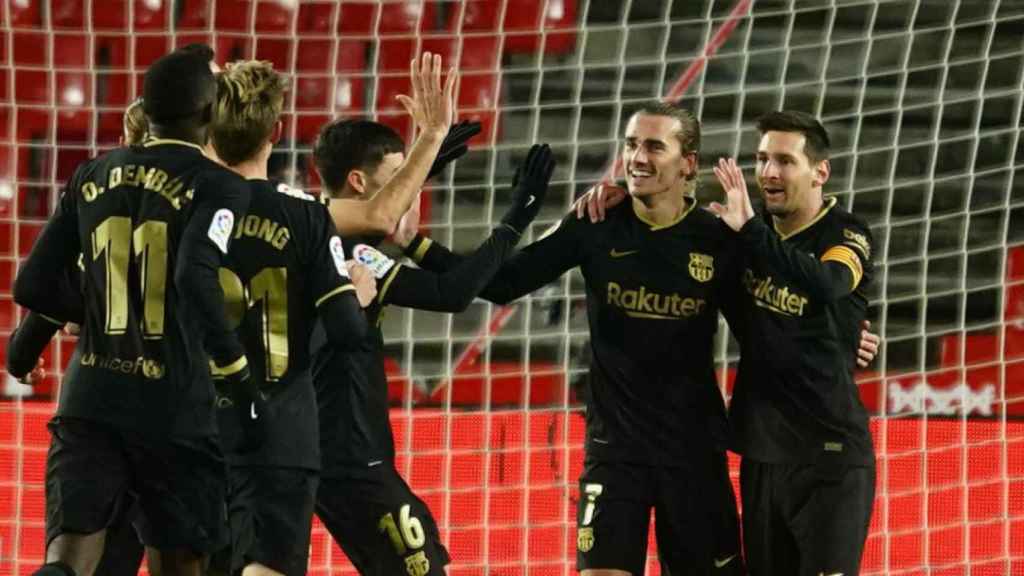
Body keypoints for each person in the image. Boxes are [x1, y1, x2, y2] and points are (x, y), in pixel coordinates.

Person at [402, 101, 744, 575]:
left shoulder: (718, 237)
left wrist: (845, 336)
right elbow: (502, 284)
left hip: (693, 453)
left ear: (688, 163)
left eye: (653, 146)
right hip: (614, 451)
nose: (637, 157)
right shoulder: (595, 223)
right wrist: (414, 244)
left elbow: (765, 324)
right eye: (630, 144)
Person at [11, 47, 251, 576]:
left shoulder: (91, 173)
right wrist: (234, 365)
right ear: (209, 115)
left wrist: (92, 307)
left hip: (90, 400)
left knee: (68, 562)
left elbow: (31, 283)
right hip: (176, 406)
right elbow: (196, 274)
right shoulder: (220, 186)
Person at [309, 118, 554, 574]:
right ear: (359, 181)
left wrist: (426, 163)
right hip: (350, 457)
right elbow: (452, 294)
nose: (409, 187)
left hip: (324, 445)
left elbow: (367, 225)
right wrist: (519, 214)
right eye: (399, 176)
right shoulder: (351, 254)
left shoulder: (310, 226)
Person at [204, 58, 376, 576]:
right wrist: (354, 297)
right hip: (279, 434)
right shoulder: (303, 213)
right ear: (276, 131)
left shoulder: (185, 206)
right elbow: (347, 332)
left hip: (196, 427)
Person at [711, 110, 876, 576]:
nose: (768, 172)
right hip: (763, 454)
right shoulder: (744, 230)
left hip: (831, 457)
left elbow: (829, 283)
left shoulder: (846, 233)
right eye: (762, 159)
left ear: (819, 172)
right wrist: (616, 196)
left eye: (784, 160)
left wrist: (751, 233)